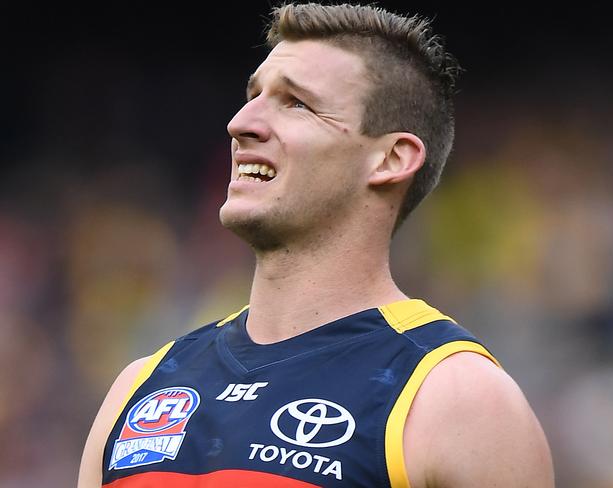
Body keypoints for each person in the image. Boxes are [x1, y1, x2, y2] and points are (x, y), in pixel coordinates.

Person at [78, 3, 554, 487]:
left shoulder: (455, 399)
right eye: (254, 95)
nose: (241, 123)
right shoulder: (141, 387)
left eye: (296, 103)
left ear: (391, 158)